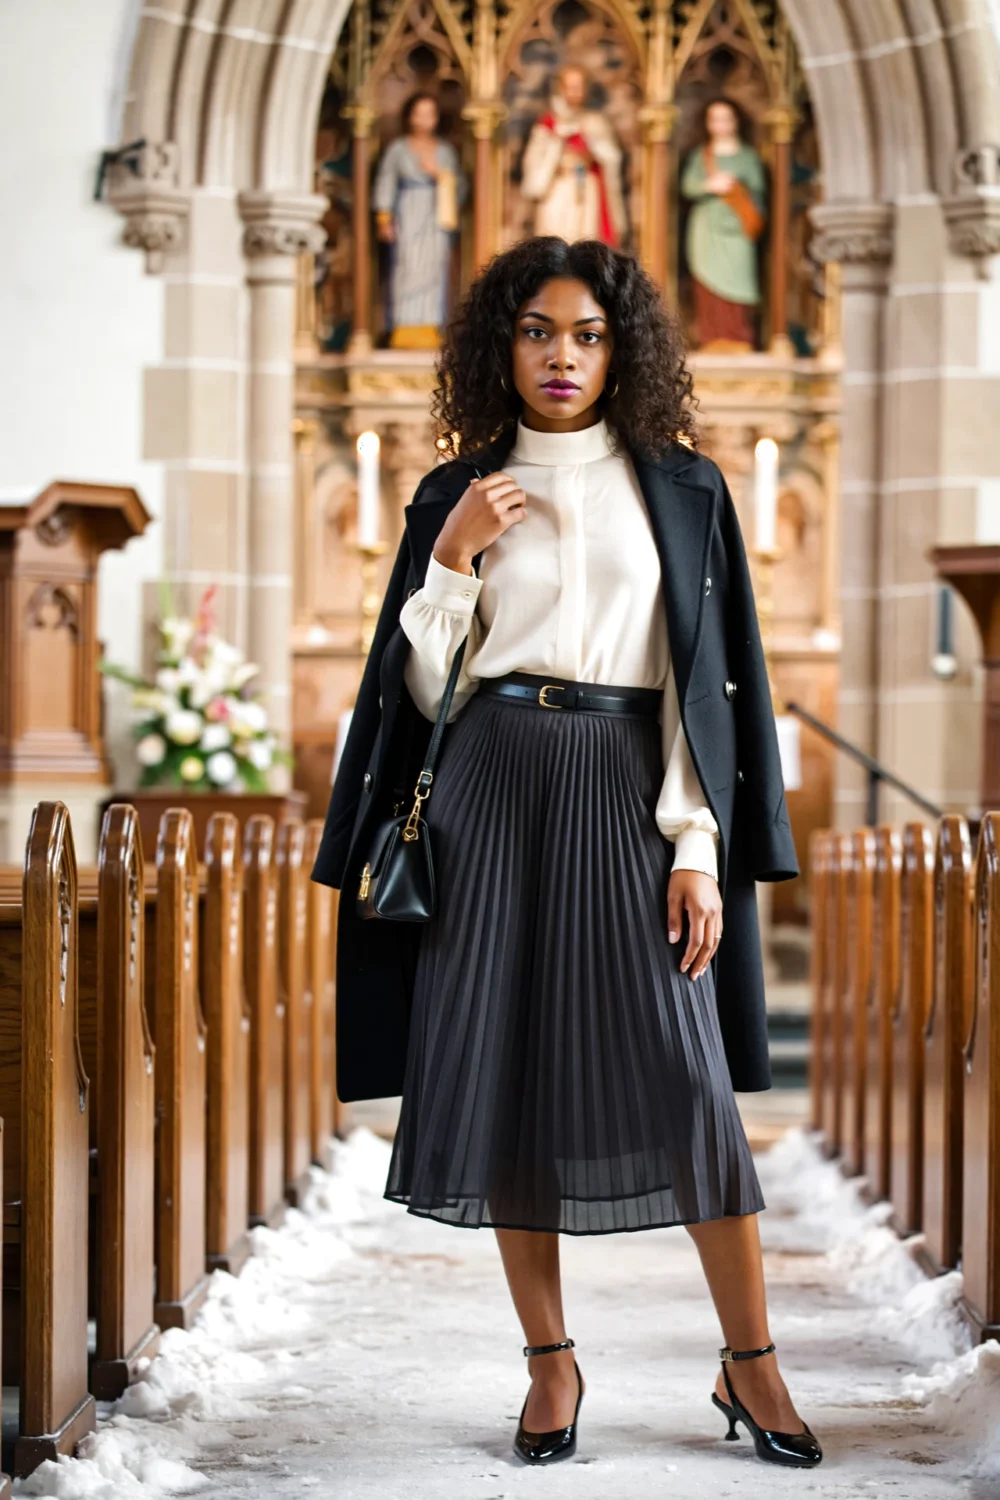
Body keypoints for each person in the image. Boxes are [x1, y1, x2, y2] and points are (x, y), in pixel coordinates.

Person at [310, 237, 821, 1471]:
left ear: (621, 348)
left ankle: (747, 1362)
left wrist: (693, 847)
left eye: (587, 334)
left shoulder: (684, 488)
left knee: (690, 1083)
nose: (561, 355)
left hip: (623, 785)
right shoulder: (456, 493)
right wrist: (450, 561)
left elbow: (696, 690)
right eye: (539, 331)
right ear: (504, 343)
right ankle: (549, 1364)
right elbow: (421, 696)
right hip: (489, 785)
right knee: (502, 1083)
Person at [373, 92, 467, 348]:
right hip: (408, 211)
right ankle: (404, 327)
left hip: (436, 215)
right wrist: (384, 217)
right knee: (407, 267)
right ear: (410, 116)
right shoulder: (398, 150)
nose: (424, 119)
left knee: (434, 269)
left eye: (430, 114)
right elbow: (386, 182)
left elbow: (461, 187)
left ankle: (430, 326)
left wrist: (442, 176)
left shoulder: (445, 151)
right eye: (419, 113)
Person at [681, 97, 766, 351]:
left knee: (738, 279)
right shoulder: (701, 156)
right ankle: (712, 337)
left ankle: (738, 337)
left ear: (736, 121)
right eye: (715, 119)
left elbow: (760, 189)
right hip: (707, 228)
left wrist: (737, 187)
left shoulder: (747, 157)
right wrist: (710, 185)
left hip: (737, 229)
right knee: (709, 281)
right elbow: (687, 186)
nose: (721, 124)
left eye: (726, 118)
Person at [520, 65, 627, 246]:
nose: (575, 92)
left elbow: (611, 158)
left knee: (585, 245)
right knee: (556, 244)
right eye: (570, 87)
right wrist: (558, 144)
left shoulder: (595, 122)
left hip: (586, 191)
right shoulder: (548, 124)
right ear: (561, 88)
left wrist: (592, 150)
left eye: (579, 87)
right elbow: (534, 166)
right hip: (558, 190)